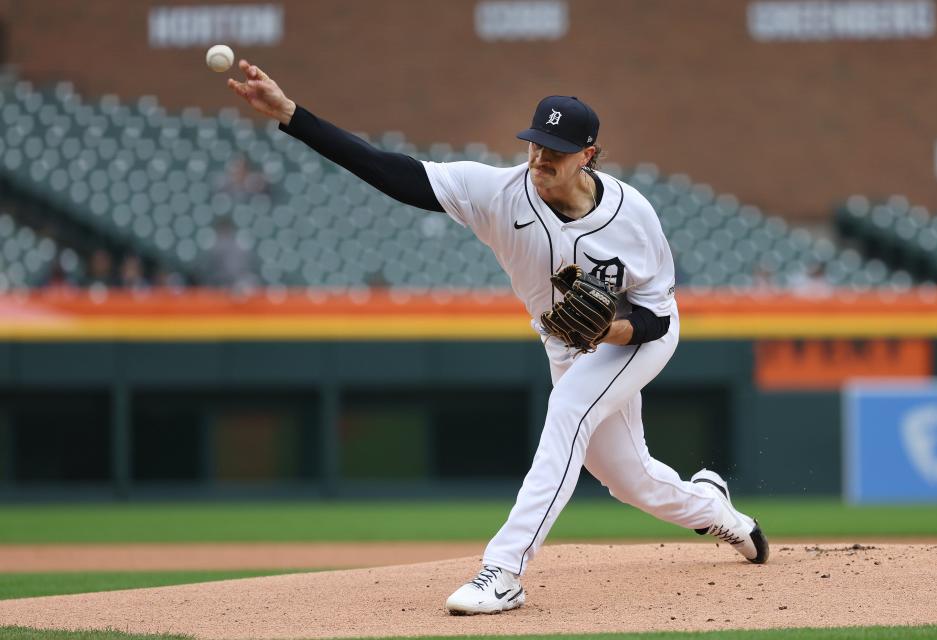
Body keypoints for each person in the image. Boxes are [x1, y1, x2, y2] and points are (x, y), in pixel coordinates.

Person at [228, 59, 769, 615]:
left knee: (569, 410)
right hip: (568, 348)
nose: (540, 157)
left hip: (638, 339)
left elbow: (657, 317)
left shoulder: (634, 216)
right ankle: (718, 511)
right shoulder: (500, 192)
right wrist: (292, 116)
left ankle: (504, 570)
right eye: (536, 143)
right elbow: (393, 173)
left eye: (556, 149)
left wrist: (612, 330)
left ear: (588, 155)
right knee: (630, 480)